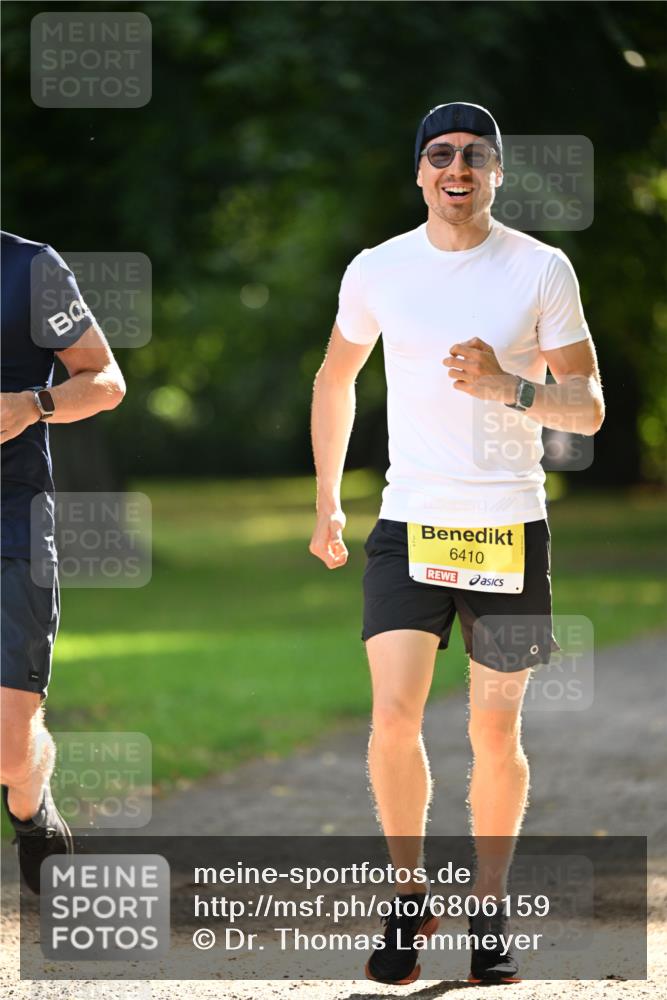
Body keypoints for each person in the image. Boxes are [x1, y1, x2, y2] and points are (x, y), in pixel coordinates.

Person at [309, 102, 604, 985]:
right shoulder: (377, 270)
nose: (457, 168)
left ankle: (488, 905)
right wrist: (326, 497)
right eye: (439, 154)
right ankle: (408, 895)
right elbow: (335, 377)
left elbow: (585, 408)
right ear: (419, 172)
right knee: (394, 719)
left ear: (497, 172)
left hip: (508, 528)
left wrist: (508, 386)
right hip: (409, 523)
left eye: (475, 155)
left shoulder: (541, 270)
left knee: (491, 725)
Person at [1, 231, 126, 893]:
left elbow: (104, 381)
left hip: (11, 522)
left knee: (8, 743)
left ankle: (30, 807)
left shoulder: (29, 268)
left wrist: (32, 406)